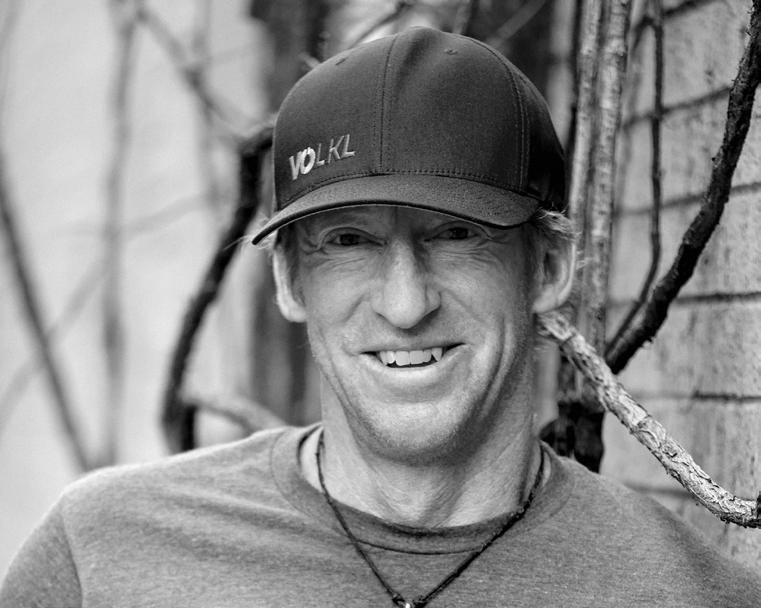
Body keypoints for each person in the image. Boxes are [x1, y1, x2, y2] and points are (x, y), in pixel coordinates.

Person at [2, 27, 760, 608]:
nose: (405, 304)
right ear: (289, 281)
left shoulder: (688, 596)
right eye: (349, 241)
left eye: (456, 234)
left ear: (549, 267)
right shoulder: (104, 557)